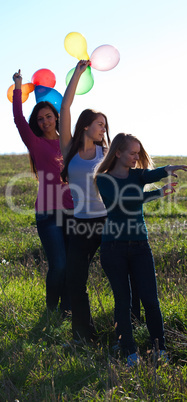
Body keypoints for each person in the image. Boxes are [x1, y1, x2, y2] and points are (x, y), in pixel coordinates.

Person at [95, 133, 187, 366]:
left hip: (140, 247)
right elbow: (123, 200)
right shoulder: (103, 179)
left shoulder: (138, 175)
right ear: (118, 153)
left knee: (150, 299)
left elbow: (149, 174)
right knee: (123, 301)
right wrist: (158, 193)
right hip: (113, 247)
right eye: (132, 153)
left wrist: (168, 168)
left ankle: (161, 349)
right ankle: (129, 352)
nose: (137, 157)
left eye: (139, 153)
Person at [12, 70, 74, 316]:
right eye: (40, 119)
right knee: (58, 265)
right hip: (48, 213)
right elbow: (18, 118)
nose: (45, 122)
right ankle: (51, 310)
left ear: (57, 117)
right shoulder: (35, 143)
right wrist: (18, 86)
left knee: (70, 265)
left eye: (49, 116)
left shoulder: (69, 141)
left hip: (72, 211)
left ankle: (67, 310)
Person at [59, 60, 111, 343]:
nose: (103, 128)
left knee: (119, 278)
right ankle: (83, 335)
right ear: (86, 126)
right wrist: (77, 74)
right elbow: (64, 109)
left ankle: (123, 330)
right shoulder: (69, 148)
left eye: (105, 124)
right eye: (99, 124)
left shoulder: (107, 151)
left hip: (107, 221)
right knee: (75, 281)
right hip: (81, 224)